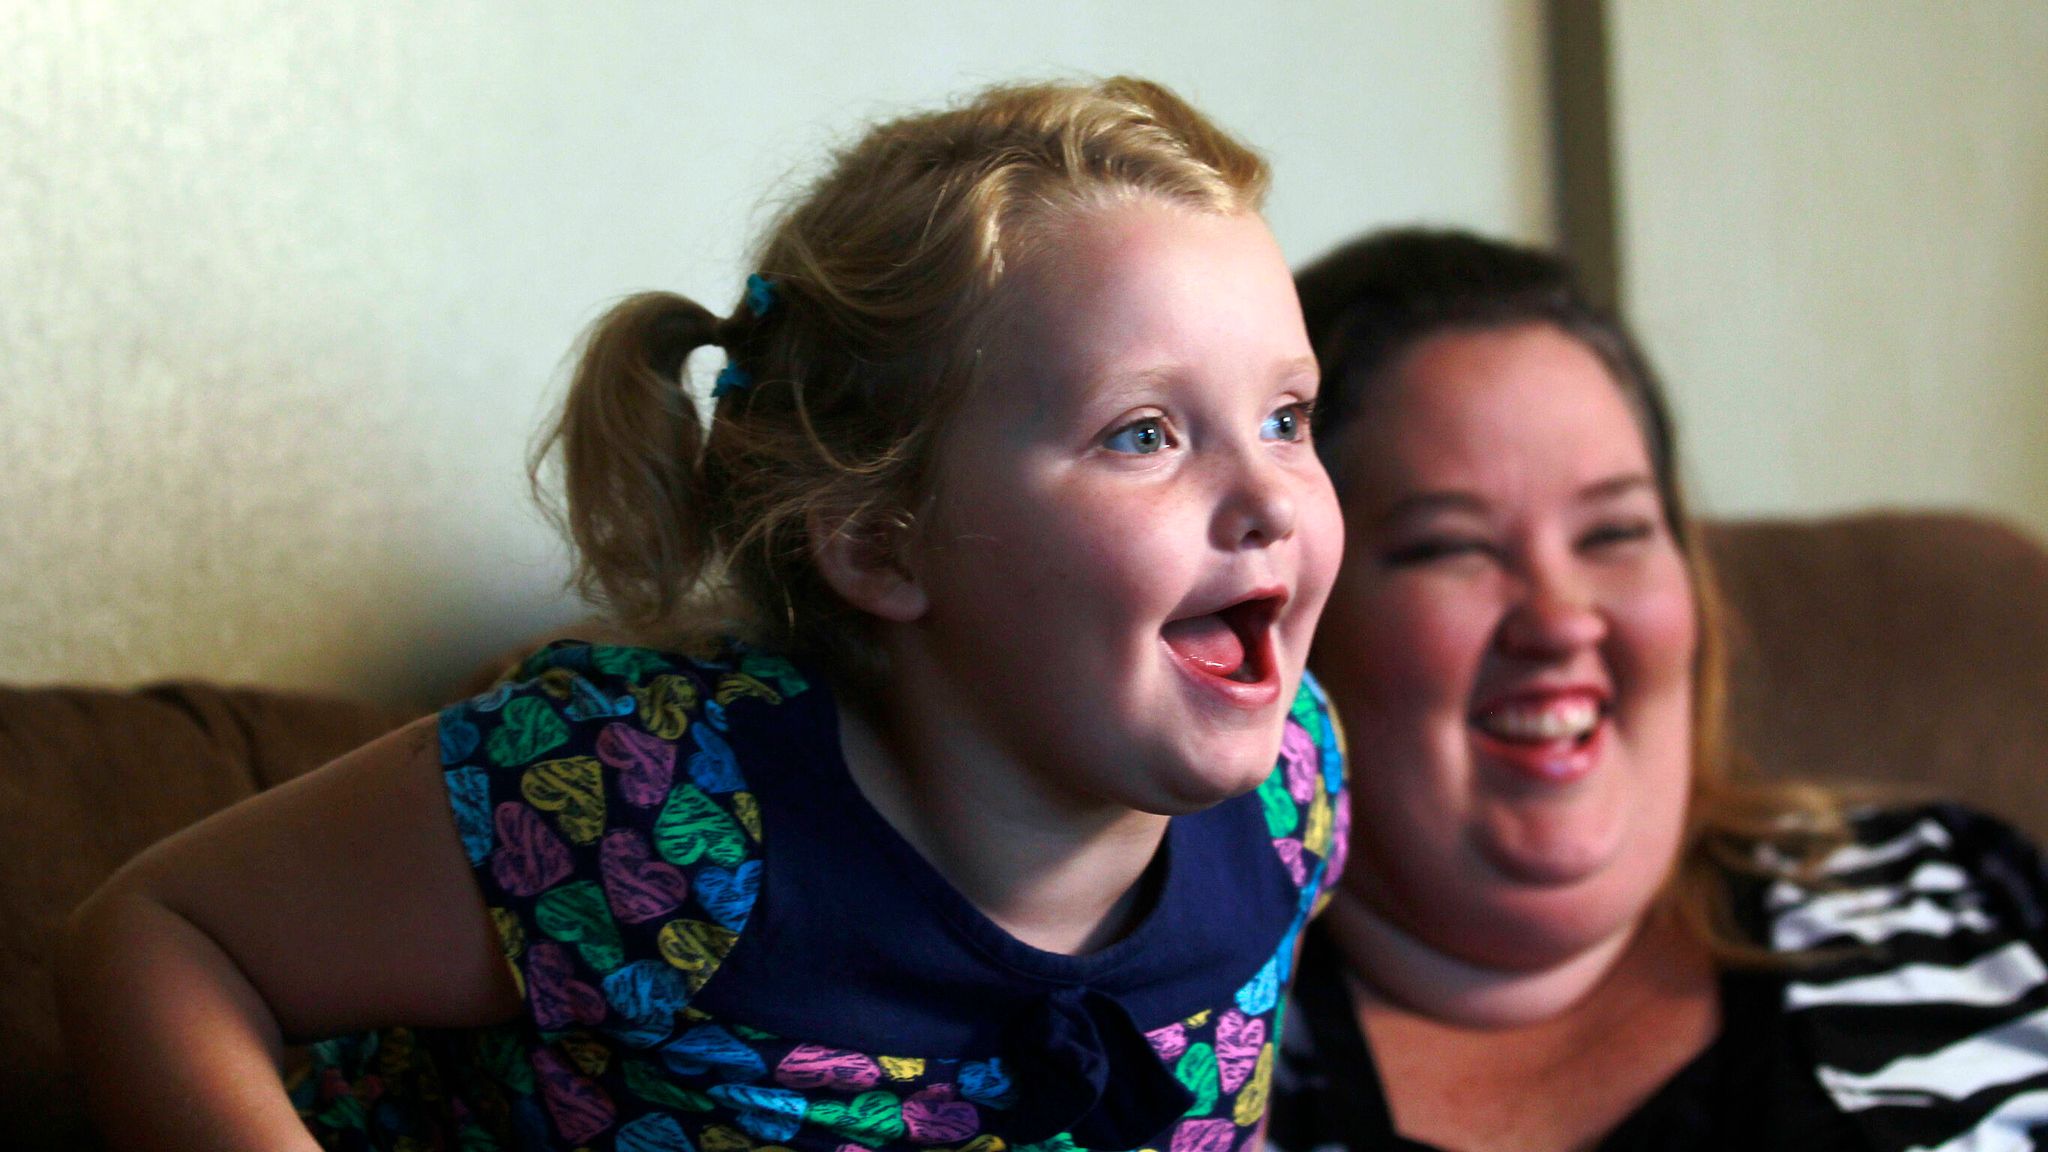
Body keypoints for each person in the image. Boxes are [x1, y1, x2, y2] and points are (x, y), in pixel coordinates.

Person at [56, 78, 1349, 1152]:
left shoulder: (1294, 792)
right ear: (879, 540)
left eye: (1287, 418)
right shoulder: (645, 805)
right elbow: (159, 939)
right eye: (1144, 433)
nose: (1269, 498)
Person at [1268, 227, 2048, 1152]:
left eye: (1615, 533)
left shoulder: (1957, 898)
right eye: (1452, 546)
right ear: (1291, 614)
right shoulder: (1162, 1067)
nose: (1560, 619)